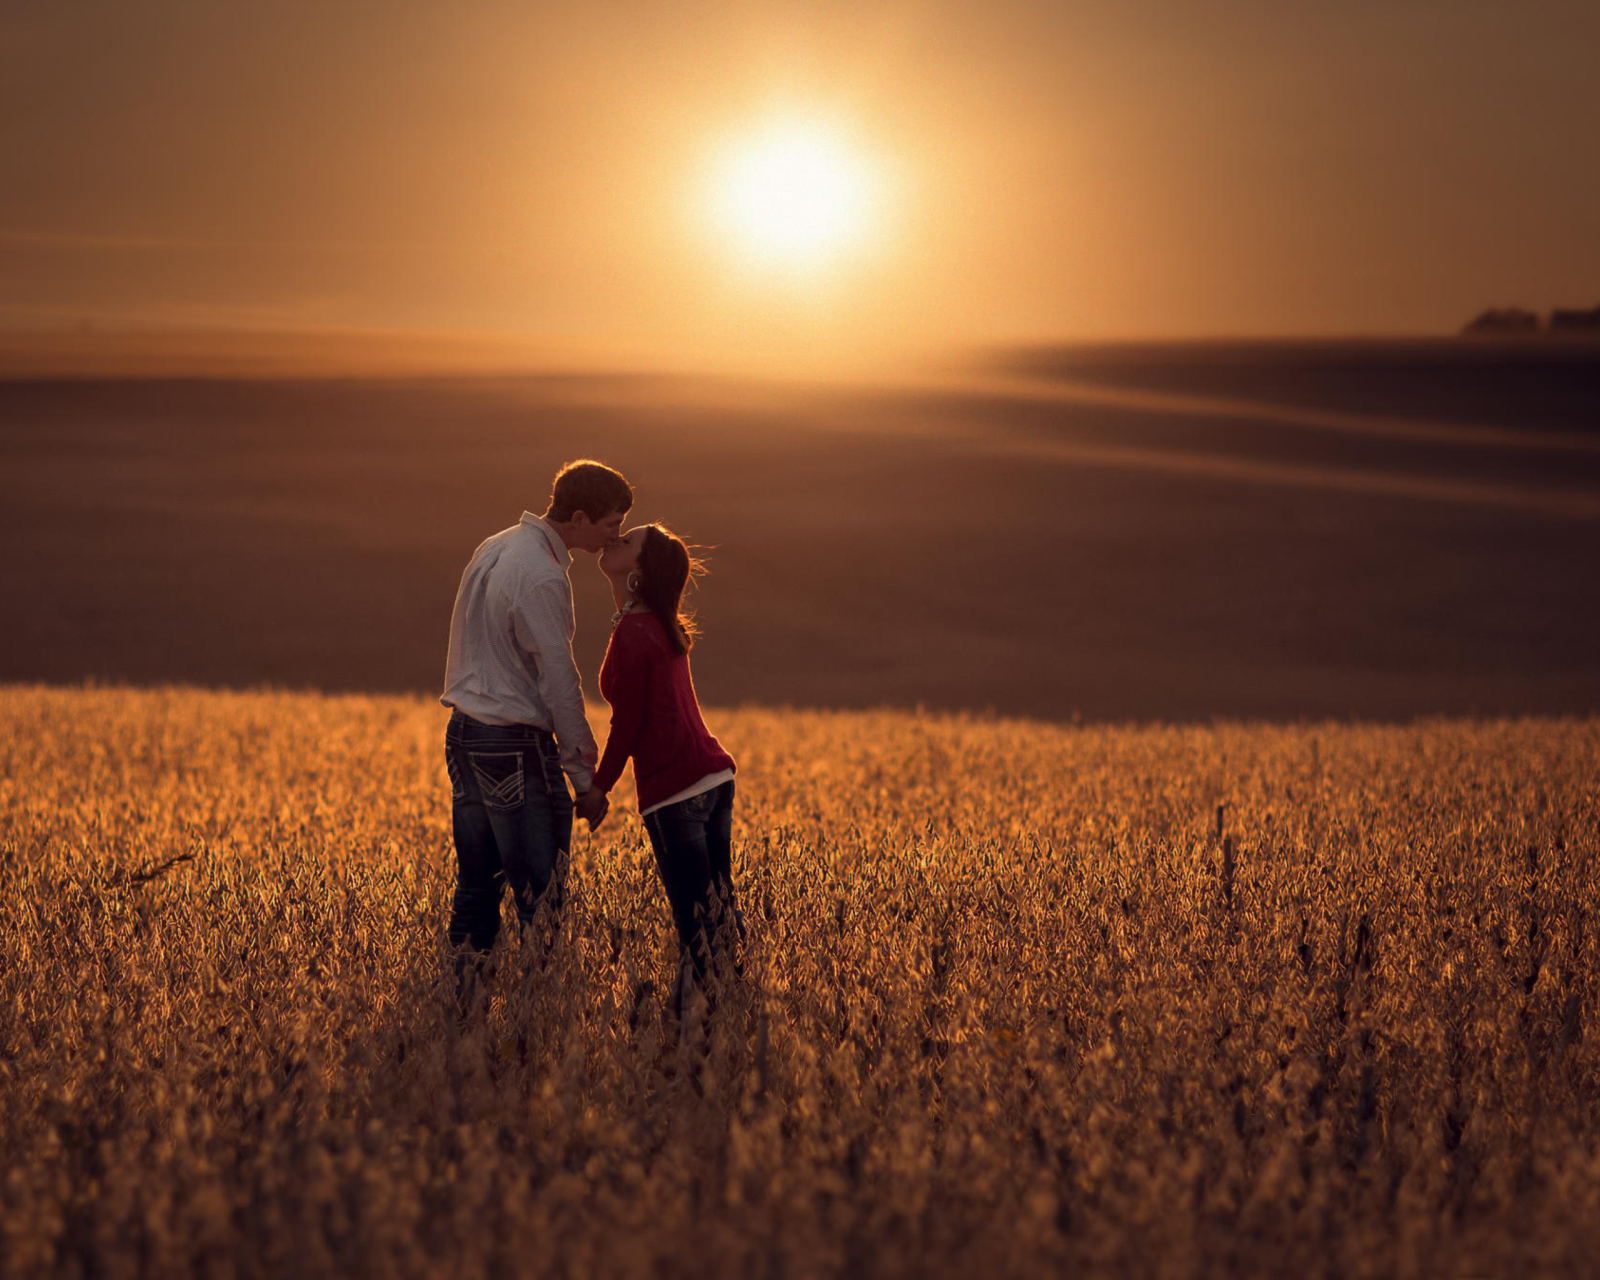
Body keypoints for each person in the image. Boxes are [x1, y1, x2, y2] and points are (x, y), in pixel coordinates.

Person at [439, 460, 631, 1003]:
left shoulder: (496, 545)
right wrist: (584, 778)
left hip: (464, 734)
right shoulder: (543, 576)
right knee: (541, 904)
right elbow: (558, 681)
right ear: (578, 517)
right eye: (610, 523)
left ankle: (461, 1015)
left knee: (477, 889)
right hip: (514, 743)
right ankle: (536, 1026)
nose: (615, 534)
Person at [593, 523, 742, 1015]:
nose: (614, 541)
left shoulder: (636, 631)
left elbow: (629, 726)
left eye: (627, 541)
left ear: (639, 570)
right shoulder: (657, 623)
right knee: (719, 919)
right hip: (713, 778)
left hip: (676, 792)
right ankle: (730, 1019)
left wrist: (598, 789)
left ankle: (689, 1039)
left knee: (696, 930)